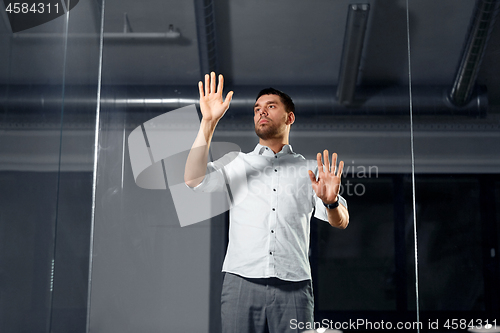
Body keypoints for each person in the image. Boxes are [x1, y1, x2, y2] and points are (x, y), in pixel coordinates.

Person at [184, 72, 349, 333]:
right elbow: (193, 179)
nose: (262, 112)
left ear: (289, 117)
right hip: (240, 281)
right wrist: (207, 122)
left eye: (271, 106)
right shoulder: (236, 162)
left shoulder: (310, 170)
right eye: (257, 109)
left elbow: (341, 221)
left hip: (295, 285)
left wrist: (330, 203)